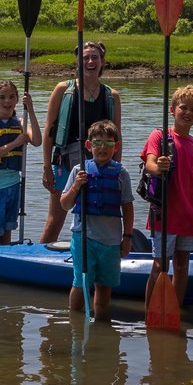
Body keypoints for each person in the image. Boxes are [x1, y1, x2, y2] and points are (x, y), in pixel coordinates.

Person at [39, 41, 121, 244]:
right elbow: (49, 130)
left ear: (102, 62)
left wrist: (117, 168)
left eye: (95, 57)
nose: (90, 61)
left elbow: (117, 138)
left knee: (95, 220)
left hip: (100, 164)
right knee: (54, 221)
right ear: (78, 61)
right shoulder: (63, 90)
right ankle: (39, 259)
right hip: (65, 163)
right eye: (85, 57)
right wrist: (46, 167)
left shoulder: (112, 95)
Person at [143, 85, 193, 310]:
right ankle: (151, 313)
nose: (188, 113)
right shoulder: (160, 136)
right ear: (172, 110)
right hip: (165, 213)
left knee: (182, 266)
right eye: (183, 108)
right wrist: (158, 166)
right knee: (159, 266)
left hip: (192, 214)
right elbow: (150, 163)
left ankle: (174, 311)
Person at [57, 119, 134, 320]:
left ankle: (102, 327)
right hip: (84, 239)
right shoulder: (78, 171)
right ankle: (74, 323)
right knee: (80, 283)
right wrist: (76, 187)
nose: (102, 148)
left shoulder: (121, 173)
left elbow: (127, 206)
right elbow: (64, 204)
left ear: (115, 147)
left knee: (104, 289)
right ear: (89, 145)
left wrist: (127, 237)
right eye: (97, 143)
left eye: (108, 144)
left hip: (110, 242)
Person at [0, 79, 42, 246]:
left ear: (17, 100)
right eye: (2, 97)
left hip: (12, 185)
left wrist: (31, 111)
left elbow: (37, 141)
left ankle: (5, 268)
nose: (7, 101)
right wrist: (14, 143)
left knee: (6, 234)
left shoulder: (20, 122)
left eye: (12, 97)